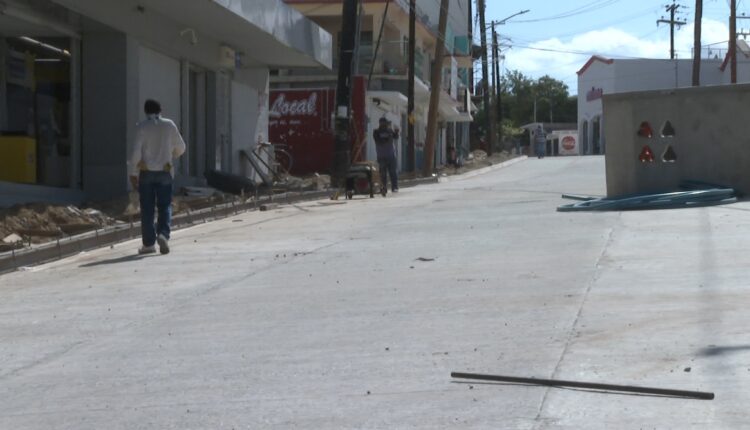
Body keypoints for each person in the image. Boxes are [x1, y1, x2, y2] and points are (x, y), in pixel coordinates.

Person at [128, 99, 186, 255]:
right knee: (165, 205)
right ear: (161, 110)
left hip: (146, 172)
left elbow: (136, 153)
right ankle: (163, 234)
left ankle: (148, 244)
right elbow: (181, 148)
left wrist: (133, 173)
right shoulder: (169, 125)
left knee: (147, 208)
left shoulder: (142, 127)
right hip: (165, 171)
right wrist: (171, 154)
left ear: (145, 111)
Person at [373, 117, 399, 194]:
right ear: (381, 123)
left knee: (393, 172)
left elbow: (396, 137)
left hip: (390, 155)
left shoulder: (389, 131)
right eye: (384, 123)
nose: (386, 125)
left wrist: (396, 132)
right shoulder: (376, 132)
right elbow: (379, 141)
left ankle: (394, 187)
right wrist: (388, 137)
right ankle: (384, 188)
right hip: (382, 156)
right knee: (383, 174)